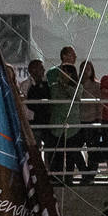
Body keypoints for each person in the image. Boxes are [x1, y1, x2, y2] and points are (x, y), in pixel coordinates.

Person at [45, 46, 81, 175]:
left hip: (72, 120)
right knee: (57, 151)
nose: (75, 58)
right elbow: (53, 93)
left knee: (72, 151)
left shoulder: (77, 79)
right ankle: (56, 174)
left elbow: (77, 96)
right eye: (72, 55)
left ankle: (72, 174)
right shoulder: (53, 73)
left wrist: (67, 86)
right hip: (57, 119)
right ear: (64, 56)